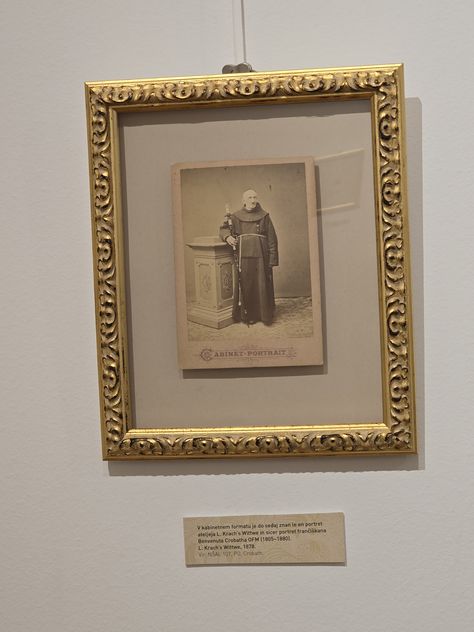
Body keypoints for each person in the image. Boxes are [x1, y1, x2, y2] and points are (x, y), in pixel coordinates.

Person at [220, 189, 278, 325]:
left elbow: (272, 238)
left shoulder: (264, 216)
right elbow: (223, 229)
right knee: (246, 285)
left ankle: (264, 315)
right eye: (250, 198)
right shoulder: (235, 217)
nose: (253, 200)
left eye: (254, 197)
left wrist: (272, 259)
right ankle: (248, 315)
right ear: (244, 201)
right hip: (243, 255)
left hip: (261, 255)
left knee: (262, 284)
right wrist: (227, 237)